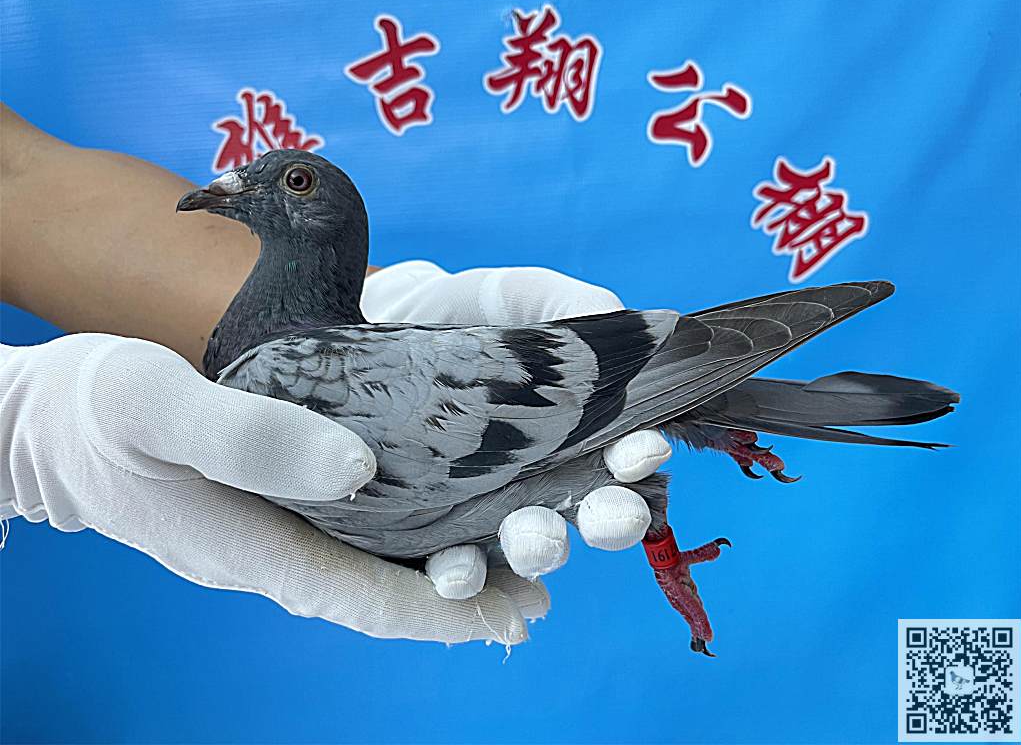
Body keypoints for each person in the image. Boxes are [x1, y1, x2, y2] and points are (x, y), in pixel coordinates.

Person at [0, 104, 673, 645]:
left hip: (586, 386)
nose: (232, 183)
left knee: (618, 467)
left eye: (293, 183)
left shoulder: (287, 366)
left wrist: (399, 344)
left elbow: (11, 174)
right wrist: (26, 425)